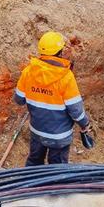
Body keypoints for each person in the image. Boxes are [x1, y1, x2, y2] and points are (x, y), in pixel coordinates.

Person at [14, 31, 92, 166]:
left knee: (34, 163)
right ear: (60, 52)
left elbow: (19, 99)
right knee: (57, 170)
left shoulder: (28, 71)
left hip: (37, 132)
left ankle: (29, 186)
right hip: (59, 136)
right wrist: (85, 124)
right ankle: (54, 187)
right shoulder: (66, 76)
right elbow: (76, 110)